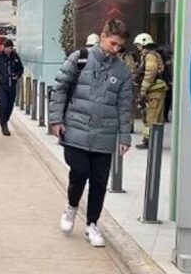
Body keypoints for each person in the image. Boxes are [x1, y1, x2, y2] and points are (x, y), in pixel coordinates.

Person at [49, 18, 133, 248]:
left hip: (104, 136)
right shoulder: (80, 58)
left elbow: (125, 106)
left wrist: (125, 136)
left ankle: (92, 225)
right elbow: (60, 88)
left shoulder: (123, 71)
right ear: (103, 36)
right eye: (113, 43)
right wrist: (56, 119)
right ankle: (71, 207)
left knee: (99, 182)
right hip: (75, 130)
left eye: (120, 46)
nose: (116, 49)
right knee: (80, 173)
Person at [133, 33, 169, 149]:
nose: (138, 48)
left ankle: (150, 142)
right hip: (155, 91)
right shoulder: (151, 55)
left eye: (138, 45)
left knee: (152, 117)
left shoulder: (150, 56)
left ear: (143, 44)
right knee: (152, 117)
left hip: (154, 91)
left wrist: (143, 89)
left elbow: (150, 73)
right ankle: (151, 141)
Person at [0, 39, 24, 136]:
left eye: (10, 48)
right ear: (4, 47)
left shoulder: (15, 57)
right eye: (7, 48)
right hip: (1, 86)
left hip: (12, 86)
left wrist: (17, 75)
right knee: (3, 105)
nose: (9, 50)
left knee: (10, 106)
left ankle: (5, 120)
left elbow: (21, 69)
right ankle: (4, 125)